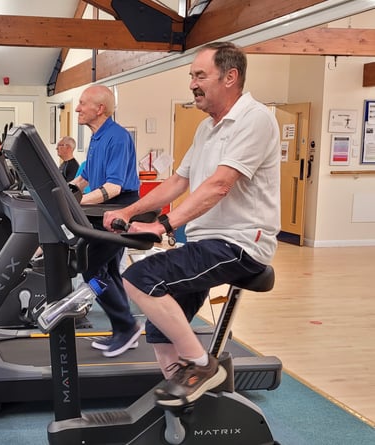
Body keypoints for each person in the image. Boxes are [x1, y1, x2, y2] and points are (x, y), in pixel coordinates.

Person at [103, 41, 281, 406]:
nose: (192, 84)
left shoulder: (255, 118)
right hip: (206, 241)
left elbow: (219, 184)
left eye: (200, 75)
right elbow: (178, 182)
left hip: (240, 243)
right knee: (158, 329)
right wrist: (131, 212)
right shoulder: (206, 129)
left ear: (230, 77)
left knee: (139, 279)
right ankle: (187, 399)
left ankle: (202, 367)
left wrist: (163, 226)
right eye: (191, 76)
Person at [69, 84, 142, 358]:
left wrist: (76, 202)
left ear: (99, 109)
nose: (77, 108)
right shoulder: (97, 137)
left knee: (91, 271)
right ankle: (123, 329)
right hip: (104, 210)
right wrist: (61, 191)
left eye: (82, 103)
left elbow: (113, 187)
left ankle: (127, 325)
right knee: (109, 271)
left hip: (118, 208)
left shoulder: (118, 137)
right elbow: (83, 178)